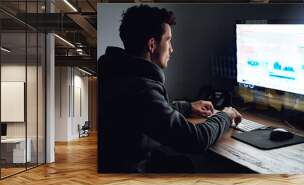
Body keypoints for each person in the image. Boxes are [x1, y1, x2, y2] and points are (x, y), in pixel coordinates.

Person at [98, 4, 242, 173]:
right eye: (168, 40)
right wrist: (225, 115)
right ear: (152, 44)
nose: (171, 49)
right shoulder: (142, 89)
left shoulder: (117, 72)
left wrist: (188, 107)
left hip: (115, 165)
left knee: (181, 164)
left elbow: (150, 112)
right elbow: (195, 139)